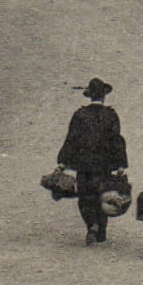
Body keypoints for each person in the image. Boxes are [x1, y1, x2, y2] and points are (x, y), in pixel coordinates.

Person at [57, 77, 129, 245]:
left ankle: (91, 225)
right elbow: (117, 140)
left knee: (85, 195)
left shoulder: (79, 115)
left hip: (84, 164)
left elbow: (71, 140)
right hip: (104, 165)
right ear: (104, 96)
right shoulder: (111, 115)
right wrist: (120, 164)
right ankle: (101, 231)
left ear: (89, 96)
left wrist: (62, 162)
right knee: (103, 194)